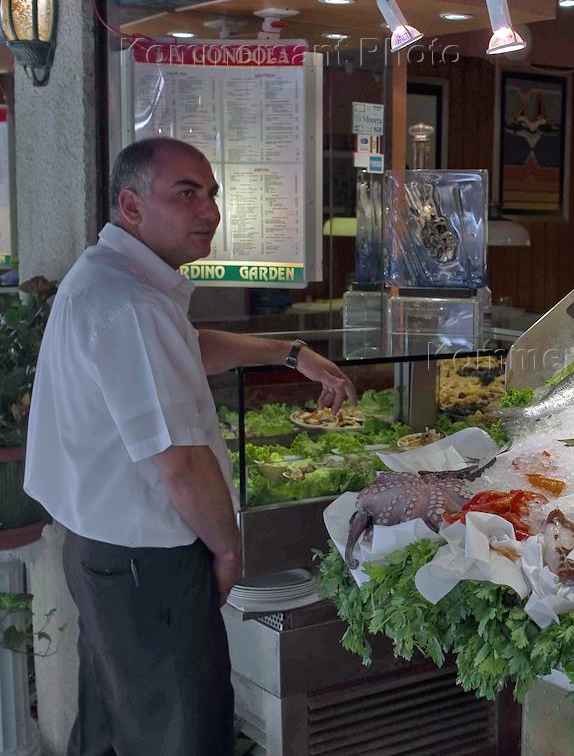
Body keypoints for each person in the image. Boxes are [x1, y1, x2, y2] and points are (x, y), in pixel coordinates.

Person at [23, 137, 357, 756]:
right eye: (186, 194)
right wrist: (228, 550)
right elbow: (179, 461)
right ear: (131, 206)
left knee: (115, 726)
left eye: (211, 193)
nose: (209, 210)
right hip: (146, 562)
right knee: (181, 733)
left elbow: (188, 347)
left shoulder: (113, 277)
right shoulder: (131, 302)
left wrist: (290, 352)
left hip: (104, 552)